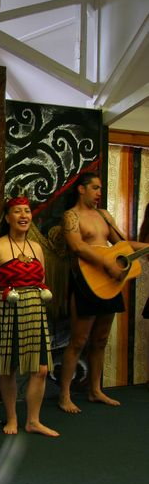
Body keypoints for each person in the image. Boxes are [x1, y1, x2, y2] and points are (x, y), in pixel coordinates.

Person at [59, 173, 149, 413]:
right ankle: (65, 395)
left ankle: (95, 390)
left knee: (100, 340)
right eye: (95, 188)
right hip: (86, 282)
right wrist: (106, 263)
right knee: (78, 341)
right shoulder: (71, 216)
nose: (99, 192)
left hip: (109, 283)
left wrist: (145, 248)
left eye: (100, 188)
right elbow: (77, 246)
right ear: (81, 189)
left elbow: (122, 245)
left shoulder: (104, 216)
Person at [0, 195, 59, 437]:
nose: (24, 216)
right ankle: (11, 417)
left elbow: (40, 280)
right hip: (8, 311)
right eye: (18, 212)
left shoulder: (37, 248)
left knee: (41, 369)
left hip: (35, 311)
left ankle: (33, 420)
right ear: (8, 218)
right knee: (8, 368)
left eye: (27, 211)